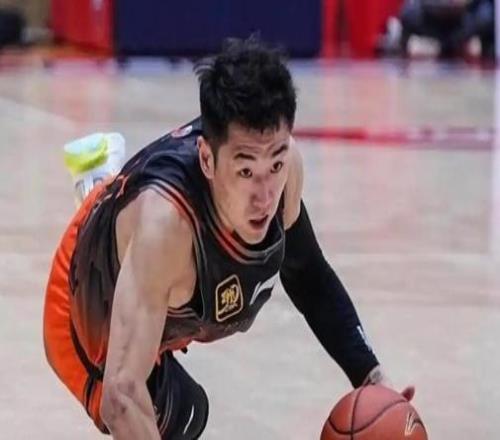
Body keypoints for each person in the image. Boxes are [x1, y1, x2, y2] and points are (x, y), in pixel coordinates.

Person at [43, 37, 414, 439]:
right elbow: (121, 398)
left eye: (275, 165)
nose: (265, 195)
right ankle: (98, 189)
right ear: (207, 159)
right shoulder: (166, 224)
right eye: (245, 172)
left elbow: (308, 274)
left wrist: (373, 378)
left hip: (161, 296)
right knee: (183, 415)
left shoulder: (285, 169)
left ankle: (108, 191)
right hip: (84, 303)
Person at [400, 0, 495, 59]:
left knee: (486, 15)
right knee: (409, 12)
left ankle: (489, 53)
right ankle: (402, 50)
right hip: (431, 17)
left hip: (464, 17)